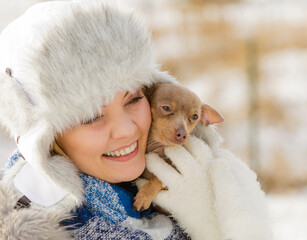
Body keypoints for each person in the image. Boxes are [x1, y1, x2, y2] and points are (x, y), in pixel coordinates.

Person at [0, 0, 273, 239]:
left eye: (133, 99)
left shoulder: (183, 179)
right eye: (92, 115)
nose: (127, 129)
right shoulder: (40, 229)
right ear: (45, 139)